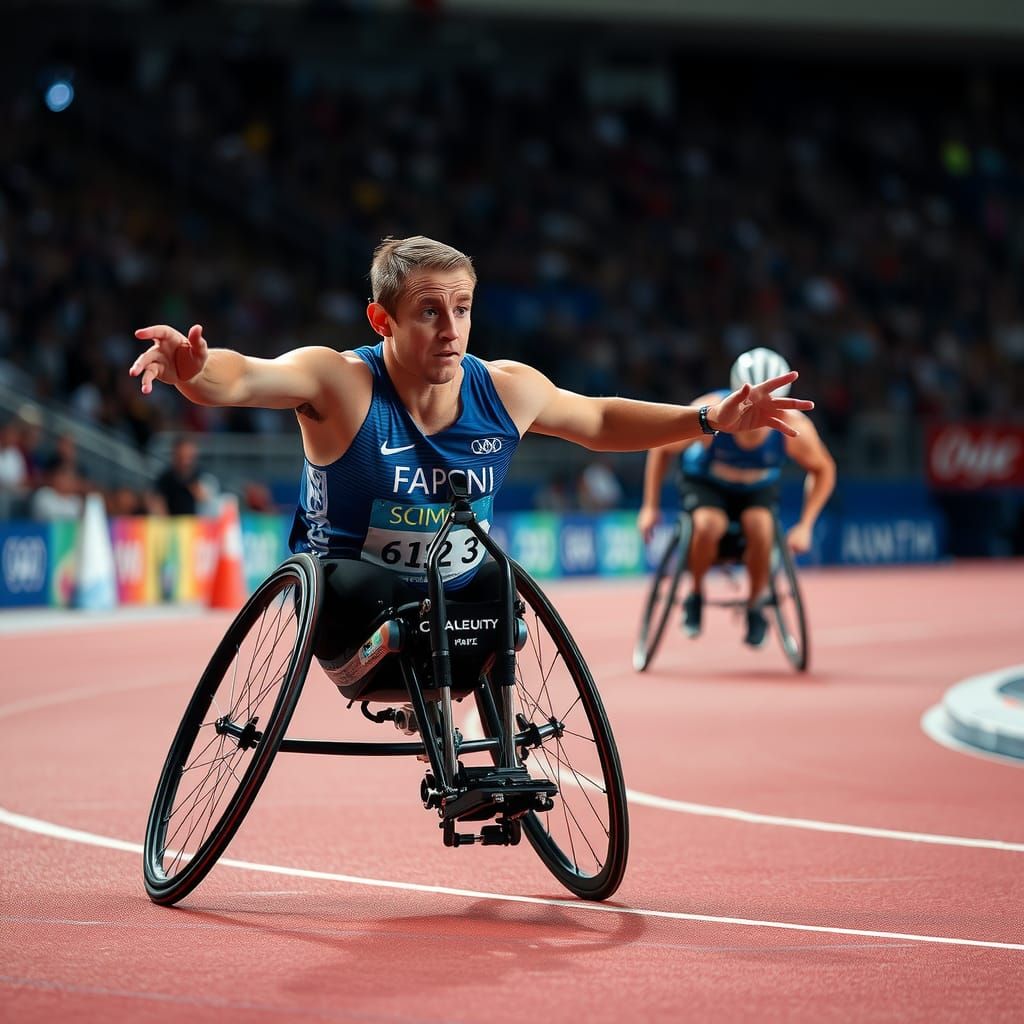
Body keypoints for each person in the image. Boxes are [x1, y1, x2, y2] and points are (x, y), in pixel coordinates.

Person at [131, 236, 813, 679]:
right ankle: (428, 695)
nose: (451, 329)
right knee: (384, 592)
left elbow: (600, 418)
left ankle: (486, 751)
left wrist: (707, 419)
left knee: (499, 585)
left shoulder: (506, 389)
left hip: (451, 590)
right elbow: (248, 376)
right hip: (348, 596)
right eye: (429, 311)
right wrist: (195, 370)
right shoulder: (340, 381)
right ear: (382, 320)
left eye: (462, 309)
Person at [636, 347, 836, 648]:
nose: (759, 416)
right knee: (708, 524)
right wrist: (649, 507)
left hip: (756, 490)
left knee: (761, 525)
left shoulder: (795, 429)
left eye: (771, 408)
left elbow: (824, 469)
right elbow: (661, 447)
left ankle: (755, 604)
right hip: (707, 484)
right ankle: (695, 593)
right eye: (751, 406)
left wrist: (807, 525)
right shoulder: (709, 411)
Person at [151, 436, 211, 516]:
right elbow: (157, 504)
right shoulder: (166, 478)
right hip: (172, 522)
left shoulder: (203, 476)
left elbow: (210, 504)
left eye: (188, 457)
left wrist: (201, 496)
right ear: (174, 455)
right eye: (181, 457)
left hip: (198, 521)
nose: (185, 461)